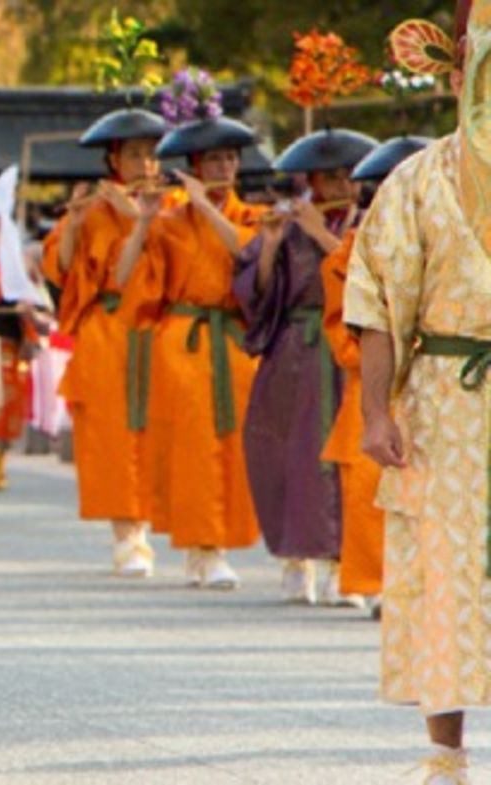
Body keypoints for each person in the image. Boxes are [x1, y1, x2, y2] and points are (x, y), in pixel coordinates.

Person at [348, 6, 491, 779]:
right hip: (445, 394)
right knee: (446, 565)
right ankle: (446, 753)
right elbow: (378, 302)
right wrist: (376, 411)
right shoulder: (419, 176)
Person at [112, 115, 265, 588]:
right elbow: (124, 279)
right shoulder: (172, 221)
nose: (223, 167)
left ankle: (214, 544)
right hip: (183, 341)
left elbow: (248, 256)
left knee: (233, 449)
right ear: (196, 164)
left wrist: (206, 206)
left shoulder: (251, 217)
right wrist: (143, 221)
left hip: (233, 343)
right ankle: (204, 546)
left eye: (230, 158)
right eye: (213, 159)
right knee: (194, 448)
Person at [236, 128, 377, 606]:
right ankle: (296, 559)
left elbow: (362, 276)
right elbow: (255, 293)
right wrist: (273, 244)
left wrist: (319, 230)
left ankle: (344, 563)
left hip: (346, 350)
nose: (340, 185)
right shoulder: (288, 222)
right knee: (286, 456)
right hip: (295, 349)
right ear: (311, 179)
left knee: (345, 461)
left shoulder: (370, 222)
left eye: (346, 176)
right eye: (328, 176)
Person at [42, 106, 169, 578]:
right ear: (113, 159)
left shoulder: (172, 205)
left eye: (151, 154)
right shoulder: (93, 208)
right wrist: (74, 223)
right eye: (133, 154)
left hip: (156, 329)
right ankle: (127, 535)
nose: (144, 164)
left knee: (158, 432)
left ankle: (164, 526)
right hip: (107, 331)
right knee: (112, 437)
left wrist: (137, 214)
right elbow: (61, 268)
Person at [321, 135, 429, 616]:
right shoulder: (350, 252)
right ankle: (374, 580)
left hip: (439, 377)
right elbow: (345, 330)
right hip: (375, 379)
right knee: (369, 490)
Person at [0, 166, 53, 490]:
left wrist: (30, 326)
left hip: (7, 341)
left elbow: (33, 300)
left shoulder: (17, 262)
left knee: (7, 406)